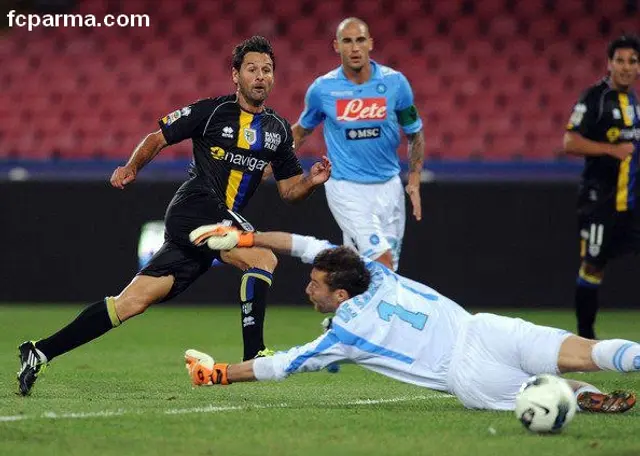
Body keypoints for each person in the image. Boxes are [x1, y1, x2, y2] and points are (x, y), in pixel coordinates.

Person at [16, 36, 332, 396]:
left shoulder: (276, 130)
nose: (260, 76)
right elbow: (158, 137)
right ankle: (255, 355)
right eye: (252, 69)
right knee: (262, 257)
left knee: (131, 303)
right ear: (236, 75)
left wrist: (312, 181)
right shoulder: (212, 112)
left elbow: (290, 190)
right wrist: (132, 166)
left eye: (267, 70)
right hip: (195, 206)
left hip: (212, 228)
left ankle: (39, 352)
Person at [182, 224, 638, 413]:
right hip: (483, 327)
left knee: (552, 394)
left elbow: (277, 365)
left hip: (468, 376)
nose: (307, 287)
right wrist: (246, 236)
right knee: (583, 352)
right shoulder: (373, 271)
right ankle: (628, 361)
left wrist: (218, 374)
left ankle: (582, 399)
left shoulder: (345, 333)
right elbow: (303, 245)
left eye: (315, 286)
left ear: (340, 295)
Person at [291, 17, 425, 272]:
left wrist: (415, 179)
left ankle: (348, 310)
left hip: (389, 188)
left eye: (360, 40)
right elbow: (301, 131)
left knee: (377, 273)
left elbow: (414, 132)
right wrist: (270, 159)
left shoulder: (395, 84)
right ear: (336, 46)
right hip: (346, 188)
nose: (354, 48)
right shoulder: (323, 89)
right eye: (347, 41)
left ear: (370, 44)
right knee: (381, 261)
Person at [564, 34, 640, 339]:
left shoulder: (634, 102)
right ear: (609, 64)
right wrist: (612, 149)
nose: (625, 67)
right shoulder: (595, 97)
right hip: (600, 201)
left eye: (632, 61)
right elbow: (569, 141)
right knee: (593, 266)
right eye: (619, 60)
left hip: (631, 202)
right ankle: (585, 338)